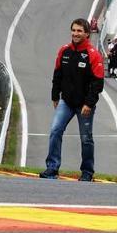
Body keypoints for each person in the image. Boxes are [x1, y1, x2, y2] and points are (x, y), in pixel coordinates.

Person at [41, 18, 105, 181]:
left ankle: (87, 172)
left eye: (79, 31)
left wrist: (89, 103)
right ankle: (52, 168)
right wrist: (55, 95)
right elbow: (57, 74)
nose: (76, 34)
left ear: (87, 34)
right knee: (55, 130)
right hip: (66, 102)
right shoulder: (64, 51)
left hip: (84, 105)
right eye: (74, 30)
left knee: (86, 138)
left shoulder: (93, 55)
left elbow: (98, 83)